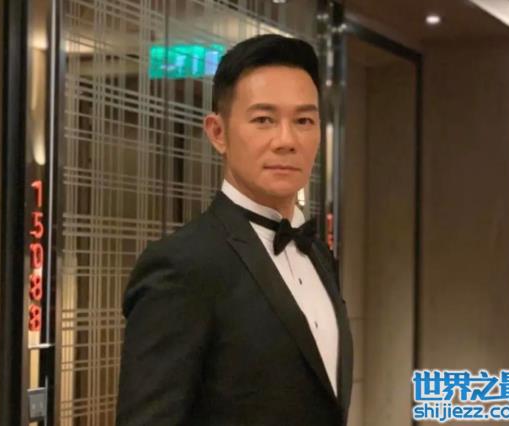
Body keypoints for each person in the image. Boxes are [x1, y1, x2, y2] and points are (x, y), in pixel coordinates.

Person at [116, 34, 353, 426]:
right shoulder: (182, 265)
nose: (286, 141)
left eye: (304, 121)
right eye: (263, 120)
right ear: (218, 133)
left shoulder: (319, 255)